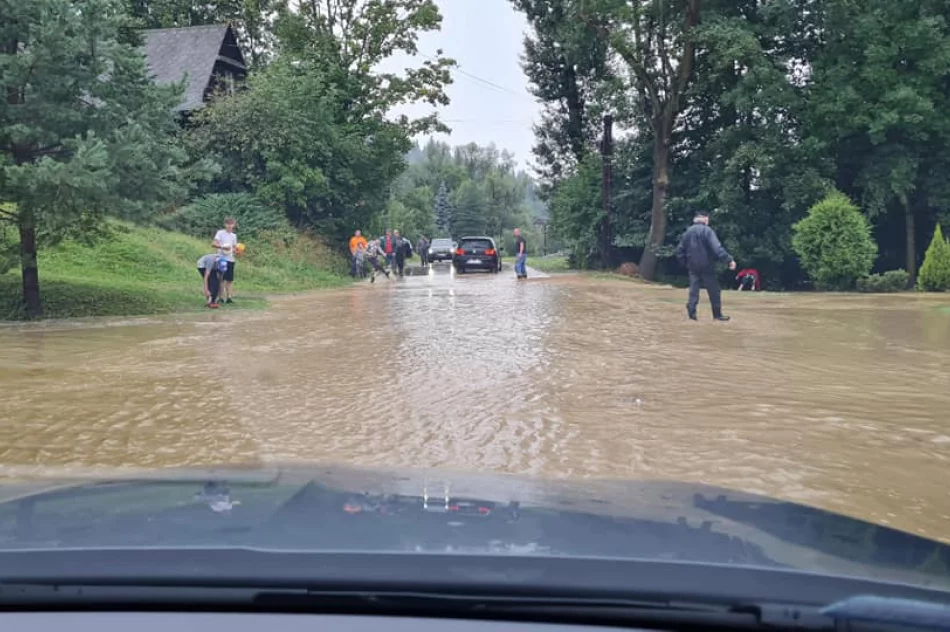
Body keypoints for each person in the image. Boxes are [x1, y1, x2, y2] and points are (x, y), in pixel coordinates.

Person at [674, 210, 736, 321]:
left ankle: (692, 311)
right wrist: (729, 260)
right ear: (705, 219)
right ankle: (717, 315)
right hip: (707, 265)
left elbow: (679, 250)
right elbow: (717, 248)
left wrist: (685, 263)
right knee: (714, 290)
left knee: (694, 289)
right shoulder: (708, 231)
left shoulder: (688, 231)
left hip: (692, 265)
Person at [212, 218, 238, 304]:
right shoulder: (220, 233)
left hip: (230, 259)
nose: (230, 225)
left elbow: (234, 247)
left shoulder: (234, 236)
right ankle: (221, 298)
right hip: (221, 259)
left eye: (232, 224)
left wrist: (236, 251)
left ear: (234, 225)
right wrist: (222, 247)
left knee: (229, 280)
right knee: (221, 279)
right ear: (225, 224)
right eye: (228, 224)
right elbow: (214, 244)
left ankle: (229, 298)